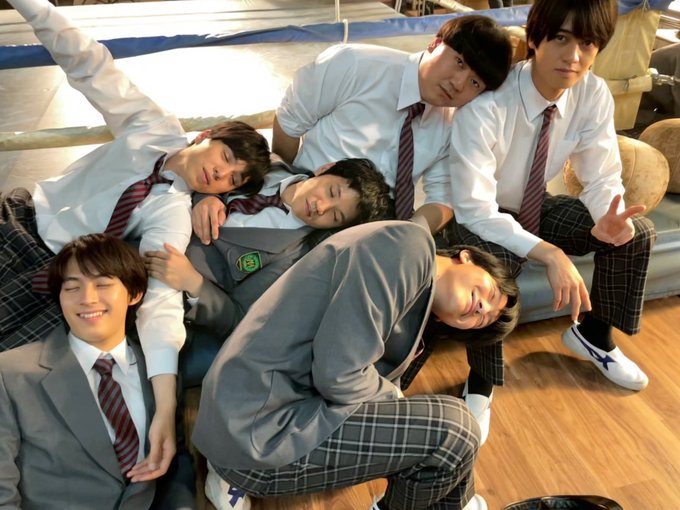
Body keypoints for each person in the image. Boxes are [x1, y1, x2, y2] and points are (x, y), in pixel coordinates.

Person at [0, 0, 269, 477]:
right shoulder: (151, 126)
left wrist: (166, 409)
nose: (220, 174)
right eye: (226, 158)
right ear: (206, 136)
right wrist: (34, 5)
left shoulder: (172, 212)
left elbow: (161, 302)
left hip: (58, 270)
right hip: (21, 220)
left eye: (233, 180)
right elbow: (90, 65)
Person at [192, 221, 520, 510]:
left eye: (483, 320)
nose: (482, 308)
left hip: (258, 422)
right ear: (466, 256)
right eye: (490, 293)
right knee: (456, 428)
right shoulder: (409, 247)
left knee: (455, 440)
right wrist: (395, 401)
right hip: (252, 434)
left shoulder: (416, 298)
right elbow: (339, 375)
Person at [447, 0, 657, 439]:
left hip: (536, 205)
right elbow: (474, 208)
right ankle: (481, 380)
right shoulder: (486, 104)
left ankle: (594, 336)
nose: (574, 56)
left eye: (587, 43)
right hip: (481, 217)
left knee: (635, 234)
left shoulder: (592, 93)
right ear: (534, 37)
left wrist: (610, 216)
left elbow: (601, 176)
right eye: (561, 38)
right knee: (495, 263)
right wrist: (550, 253)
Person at [145, 157, 393, 386]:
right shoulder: (267, 164)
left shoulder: (293, 260)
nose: (322, 207)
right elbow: (209, 161)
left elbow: (240, 318)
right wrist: (206, 197)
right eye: (331, 191)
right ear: (325, 169)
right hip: (153, 210)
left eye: (335, 216)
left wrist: (195, 284)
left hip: (163, 286)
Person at [0, 234, 195, 509]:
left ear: (134, 294)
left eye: (102, 284)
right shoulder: (10, 373)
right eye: (72, 288)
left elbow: (175, 466)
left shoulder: (159, 374)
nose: (87, 299)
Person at [272, 15, 512, 234]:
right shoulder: (354, 64)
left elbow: (442, 196)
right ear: (435, 43)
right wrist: (282, 186)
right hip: (312, 207)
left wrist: (407, 235)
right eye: (459, 62)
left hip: (379, 229)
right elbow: (289, 123)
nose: (458, 84)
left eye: (474, 83)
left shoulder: (455, 123)